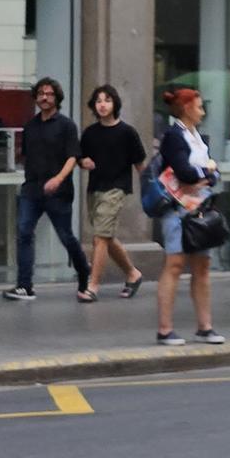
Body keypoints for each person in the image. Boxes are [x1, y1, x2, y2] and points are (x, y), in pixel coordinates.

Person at [5, 77, 93, 302]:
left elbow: (73, 156)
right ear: (36, 97)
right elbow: (27, 156)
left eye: (49, 94)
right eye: (41, 93)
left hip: (59, 192)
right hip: (31, 190)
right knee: (24, 233)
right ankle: (25, 286)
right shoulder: (30, 126)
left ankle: (84, 273)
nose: (44, 97)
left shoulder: (66, 125)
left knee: (66, 237)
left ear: (57, 98)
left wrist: (58, 179)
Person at [155, 88, 223, 346]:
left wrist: (207, 174)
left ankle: (205, 326)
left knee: (202, 266)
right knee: (174, 265)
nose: (202, 111)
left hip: (199, 205)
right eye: (198, 106)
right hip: (178, 208)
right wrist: (208, 172)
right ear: (185, 108)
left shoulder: (197, 137)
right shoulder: (174, 136)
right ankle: (165, 328)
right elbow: (185, 172)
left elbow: (213, 173)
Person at [78, 84, 148, 300]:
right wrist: (83, 161)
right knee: (106, 237)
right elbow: (80, 156)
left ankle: (93, 285)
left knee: (100, 237)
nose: (102, 104)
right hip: (95, 188)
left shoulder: (127, 132)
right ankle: (132, 273)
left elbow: (140, 163)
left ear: (115, 103)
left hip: (117, 188)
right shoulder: (90, 133)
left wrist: (148, 189)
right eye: (98, 101)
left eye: (107, 100)